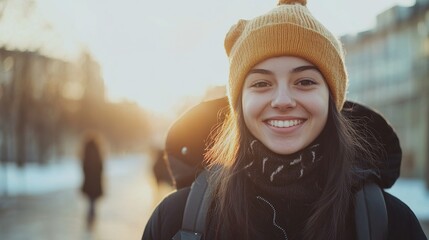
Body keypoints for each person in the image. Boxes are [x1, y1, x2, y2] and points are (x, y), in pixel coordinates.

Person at [142, 0, 427, 239]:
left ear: (331, 99)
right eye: (261, 84)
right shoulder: (176, 221)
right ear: (240, 102)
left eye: (304, 81)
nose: (282, 101)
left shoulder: (390, 224)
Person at [80, 136, 104, 228]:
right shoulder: (98, 153)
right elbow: (101, 167)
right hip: (96, 182)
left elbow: (83, 167)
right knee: (92, 201)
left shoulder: (86, 153)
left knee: (91, 201)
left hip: (88, 182)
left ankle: (90, 217)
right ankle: (91, 216)